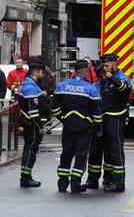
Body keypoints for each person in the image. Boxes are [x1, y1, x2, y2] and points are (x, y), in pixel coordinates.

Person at [52, 60, 102, 194]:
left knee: (66, 153)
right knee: (81, 155)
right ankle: (75, 184)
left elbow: (55, 108)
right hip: (84, 128)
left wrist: (63, 118)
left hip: (68, 126)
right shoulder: (91, 89)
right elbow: (96, 112)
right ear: (85, 71)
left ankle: (62, 184)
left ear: (74, 71)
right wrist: (97, 128)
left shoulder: (61, 86)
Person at [86, 53, 130, 193]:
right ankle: (93, 179)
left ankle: (117, 182)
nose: (104, 69)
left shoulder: (121, 78)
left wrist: (112, 79)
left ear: (114, 64)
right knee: (95, 149)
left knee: (114, 150)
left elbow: (124, 87)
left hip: (115, 118)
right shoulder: (100, 82)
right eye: (103, 66)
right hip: (100, 119)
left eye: (107, 65)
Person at [18, 56, 50, 188]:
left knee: (29, 149)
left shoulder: (29, 84)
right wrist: (40, 126)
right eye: (42, 72)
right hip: (32, 125)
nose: (43, 74)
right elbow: (33, 111)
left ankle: (26, 176)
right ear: (36, 72)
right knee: (31, 150)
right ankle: (26, 178)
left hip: (28, 123)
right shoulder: (30, 87)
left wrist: (41, 93)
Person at [86, 64, 113, 189]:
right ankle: (93, 179)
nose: (105, 76)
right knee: (94, 153)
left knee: (109, 154)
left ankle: (107, 179)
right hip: (97, 124)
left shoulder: (112, 86)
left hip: (108, 123)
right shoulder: (94, 88)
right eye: (103, 73)